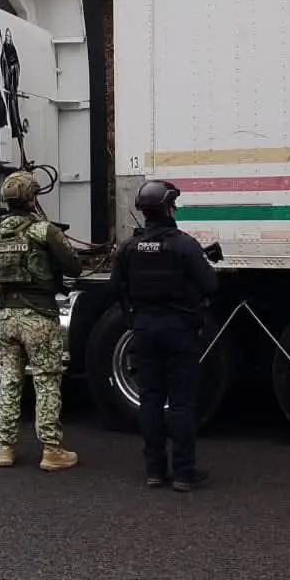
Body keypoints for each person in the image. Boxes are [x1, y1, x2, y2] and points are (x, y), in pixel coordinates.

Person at [109, 179, 219, 491]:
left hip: (143, 330)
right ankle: (184, 473)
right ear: (168, 207)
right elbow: (210, 286)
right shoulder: (184, 245)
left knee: (150, 400)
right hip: (179, 331)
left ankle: (155, 471)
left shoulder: (129, 247)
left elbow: (115, 288)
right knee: (182, 403)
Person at [0, 170, 83, 471]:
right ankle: (51, 450)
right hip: (38, 315)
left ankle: (5, 448)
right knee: (46, 380)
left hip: (5, 317)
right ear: (32, 198)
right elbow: (74, 267)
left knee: (9, 381)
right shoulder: (43, 230)